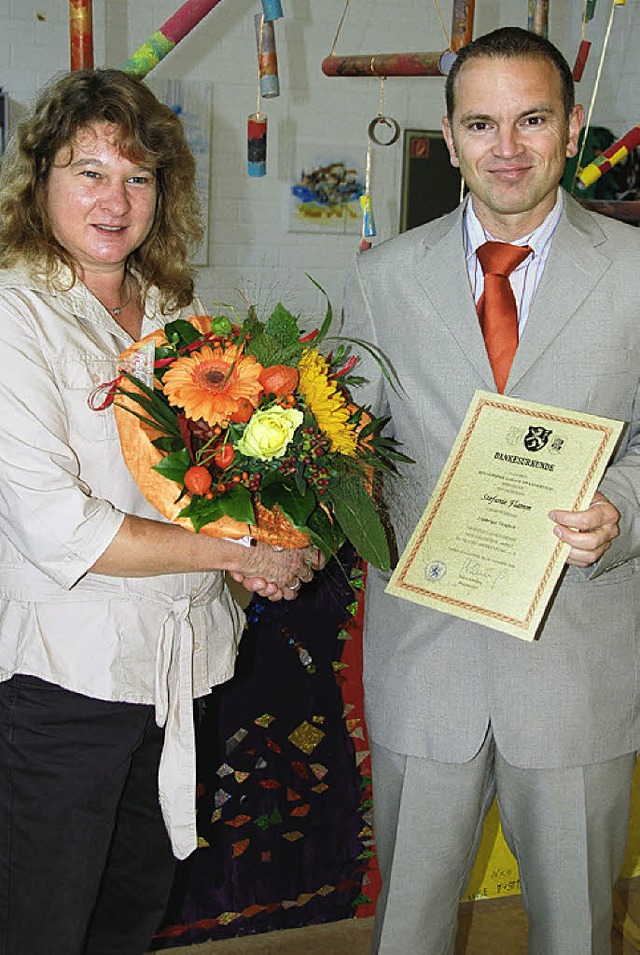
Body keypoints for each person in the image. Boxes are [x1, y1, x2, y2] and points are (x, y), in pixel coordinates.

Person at [0, 68, 320, 955]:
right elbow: (60, 525)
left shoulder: (179, 313)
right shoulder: (14, 316)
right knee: (41, 922)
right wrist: (237, 555)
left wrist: (280, 538)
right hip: (68, 679)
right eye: (89, 172)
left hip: (182, 668)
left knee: (132, 910)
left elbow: (234, 476)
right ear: (40, 184)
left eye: (138, 176)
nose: (116, 199)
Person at [342, 26, 640, 955]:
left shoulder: (635, 275)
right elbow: (353, 446)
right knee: (410, 929)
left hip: (577, 661)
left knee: (577, 932)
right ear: (448, 132)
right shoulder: (382, 276)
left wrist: (623, 513)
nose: (506, 148)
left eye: (532, 119)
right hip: (423, 658)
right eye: (482, 123)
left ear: (573, 127)